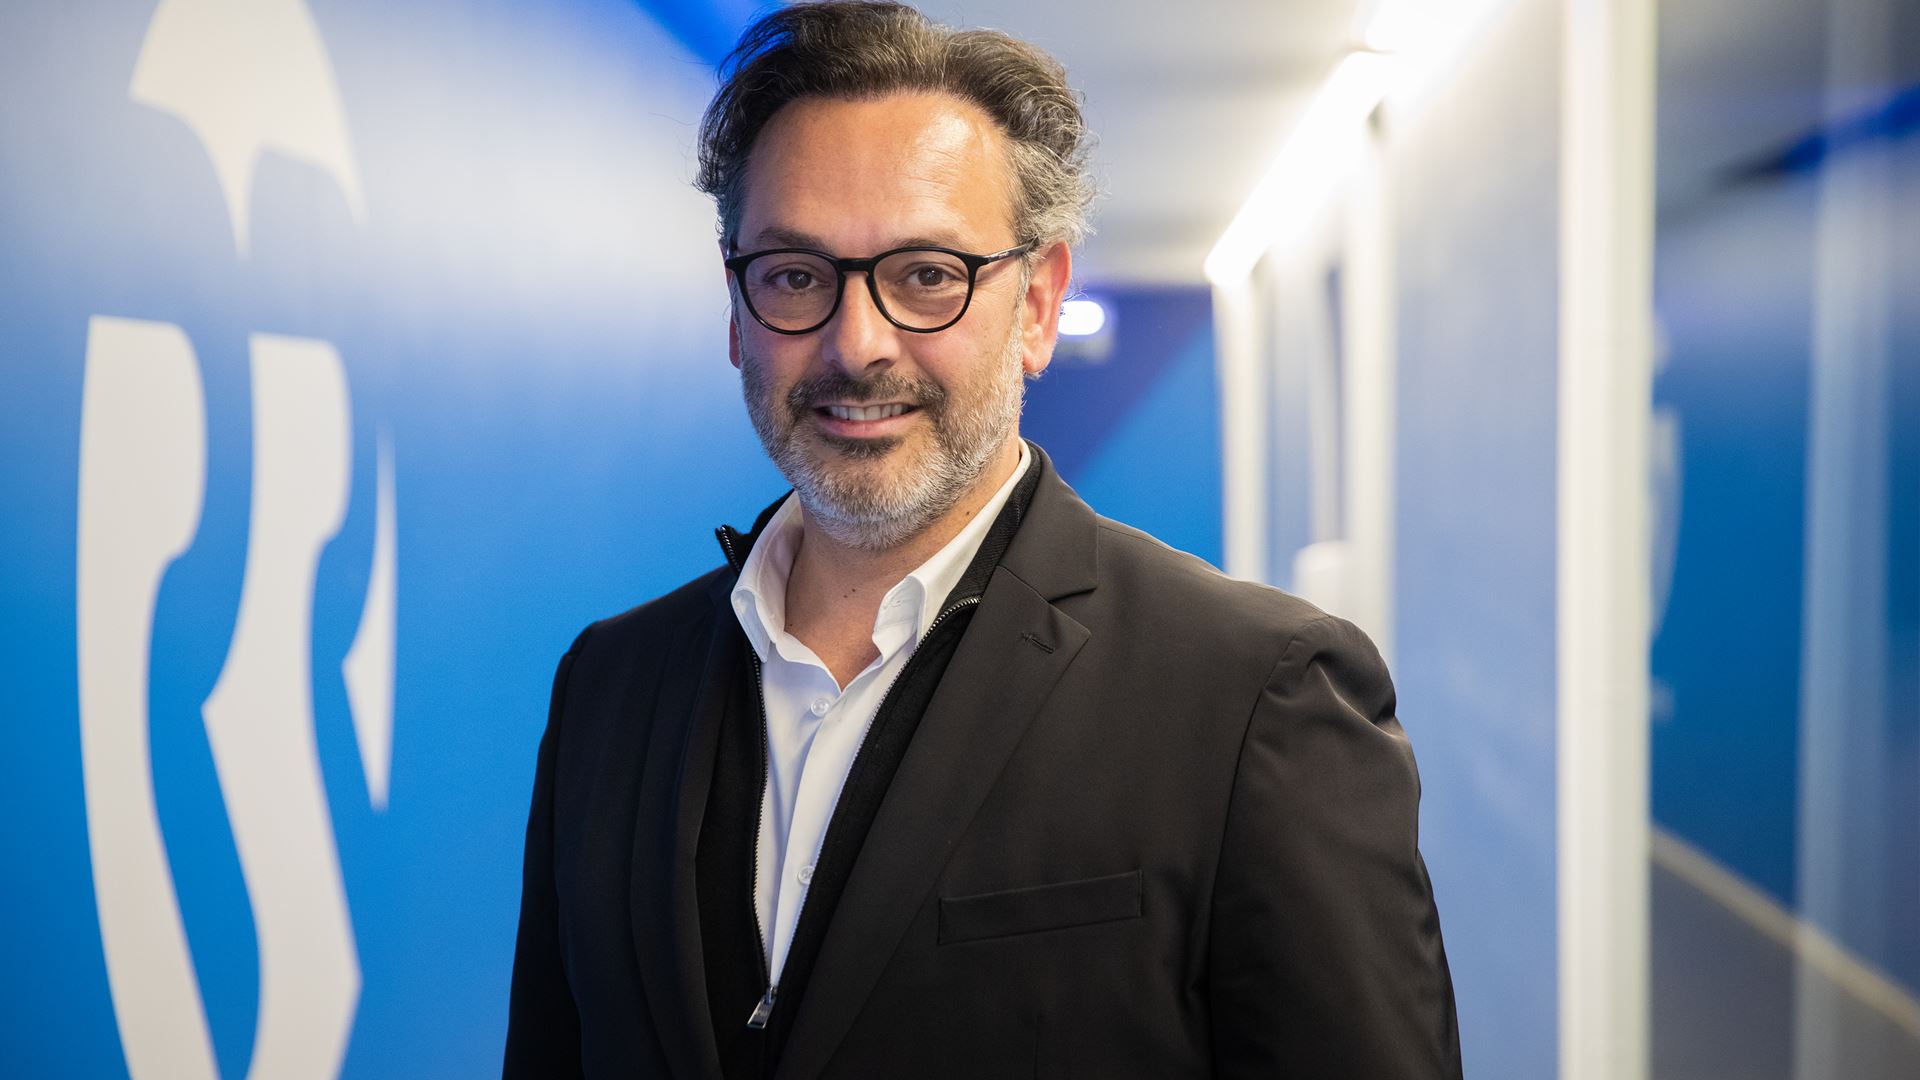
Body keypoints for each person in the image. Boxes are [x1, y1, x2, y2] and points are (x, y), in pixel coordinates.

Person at [504, 3, 1460, 1077]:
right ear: (736, 309)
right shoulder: (611, 688)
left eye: (926, 274)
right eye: (795, 274)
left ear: (1038, 305)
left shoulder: (1255, 695)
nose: (856, 344)